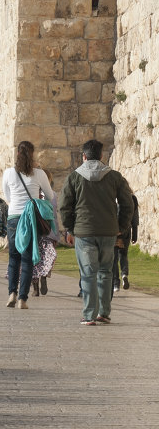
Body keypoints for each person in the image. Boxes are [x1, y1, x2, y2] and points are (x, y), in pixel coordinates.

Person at [59, 139, 134, 326]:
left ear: (83, 156)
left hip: (84, 232)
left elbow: (64, 206)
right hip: (109, 231)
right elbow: (128, 203)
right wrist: (121, 226)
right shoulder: (115, 177)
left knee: (88, 273)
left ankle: (89, 314)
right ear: (102, 156)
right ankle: (104, 312)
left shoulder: (74, 177)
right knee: (105, 272)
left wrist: (70, 228)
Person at [2, 141, 54, 309]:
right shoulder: (39, 174)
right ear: (32, 155)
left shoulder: (9, 173)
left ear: (17, 154)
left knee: (13, 258)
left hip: (13, 217)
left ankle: (12, 293)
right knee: (27, 259)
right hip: (30, 218)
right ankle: (22, 299)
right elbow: (50, 195)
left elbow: (8, 196)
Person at [31, 169, 59, 296]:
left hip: (36, 231)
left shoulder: (33, 194)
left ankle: (35, 286)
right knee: (48, 257)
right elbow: (54, 216)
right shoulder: (53, 195)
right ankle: (44, 276)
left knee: (35, 258)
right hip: (49, 231)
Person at [113, 193, 138, 294]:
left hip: (114, 231)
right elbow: (135, 218)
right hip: (126, 231)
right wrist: (135, 235)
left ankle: (116, 283)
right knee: (123, 255)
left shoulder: (113, 197)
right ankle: (124, 275)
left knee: (114, 258)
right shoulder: (132, 198)